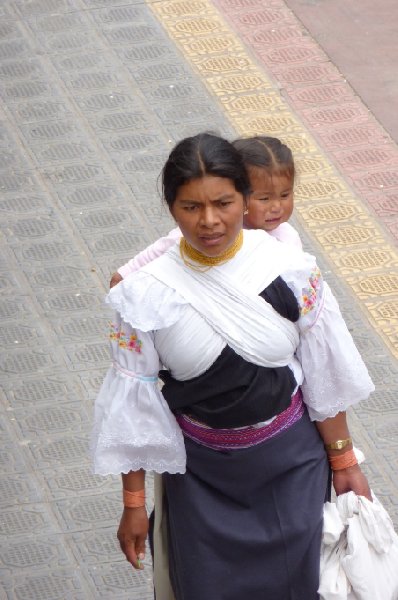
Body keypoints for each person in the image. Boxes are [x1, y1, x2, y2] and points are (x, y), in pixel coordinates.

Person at [92, 132, 374, 600]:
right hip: (201, 480)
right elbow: (133, 406)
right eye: (190, 207)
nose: (208, 221)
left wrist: (344, 461)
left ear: (245, 197)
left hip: (292, 469)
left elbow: (324, 375)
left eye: (223, 203)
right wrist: (133, 503)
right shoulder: (142, 297)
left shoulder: (292, 270)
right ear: (170, 207)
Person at [109, 136, 301, 288]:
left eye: (285, 195)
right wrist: (127, 274)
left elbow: (301, 284)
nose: (209, 221)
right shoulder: (187, 241)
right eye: (264, 198)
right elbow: (158, 252)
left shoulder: (287, 239)